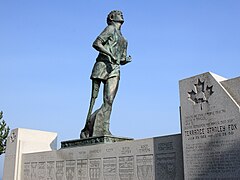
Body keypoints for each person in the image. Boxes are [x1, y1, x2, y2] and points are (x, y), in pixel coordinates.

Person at [80, 10, 131, 138]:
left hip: (115, 69)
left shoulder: (124, 40)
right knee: (93, 99)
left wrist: (126, 60)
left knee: (109, 100)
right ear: (112, 17)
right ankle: (90, 129)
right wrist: (109, 54)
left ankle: (102, 128)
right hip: (102, 66)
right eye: (117, 13)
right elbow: (96, 43)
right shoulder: (110, 29)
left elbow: (121, 58)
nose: (121, 14)